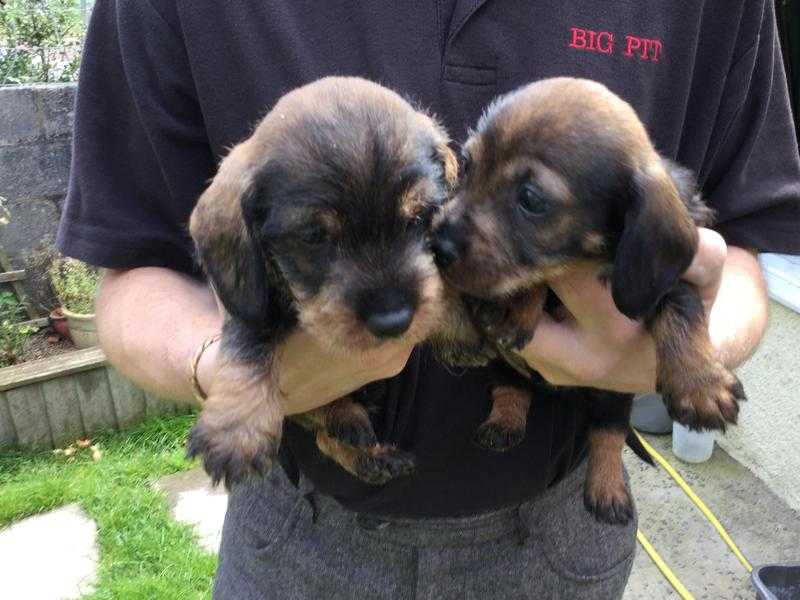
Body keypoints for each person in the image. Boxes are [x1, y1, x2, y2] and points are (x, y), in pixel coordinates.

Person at [57, 1, 799, 598]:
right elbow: (131, 269)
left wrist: (667, 356)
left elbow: (742, 248)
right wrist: (223, 371)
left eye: (422, 217)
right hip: (295, 534)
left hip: (562, 532)